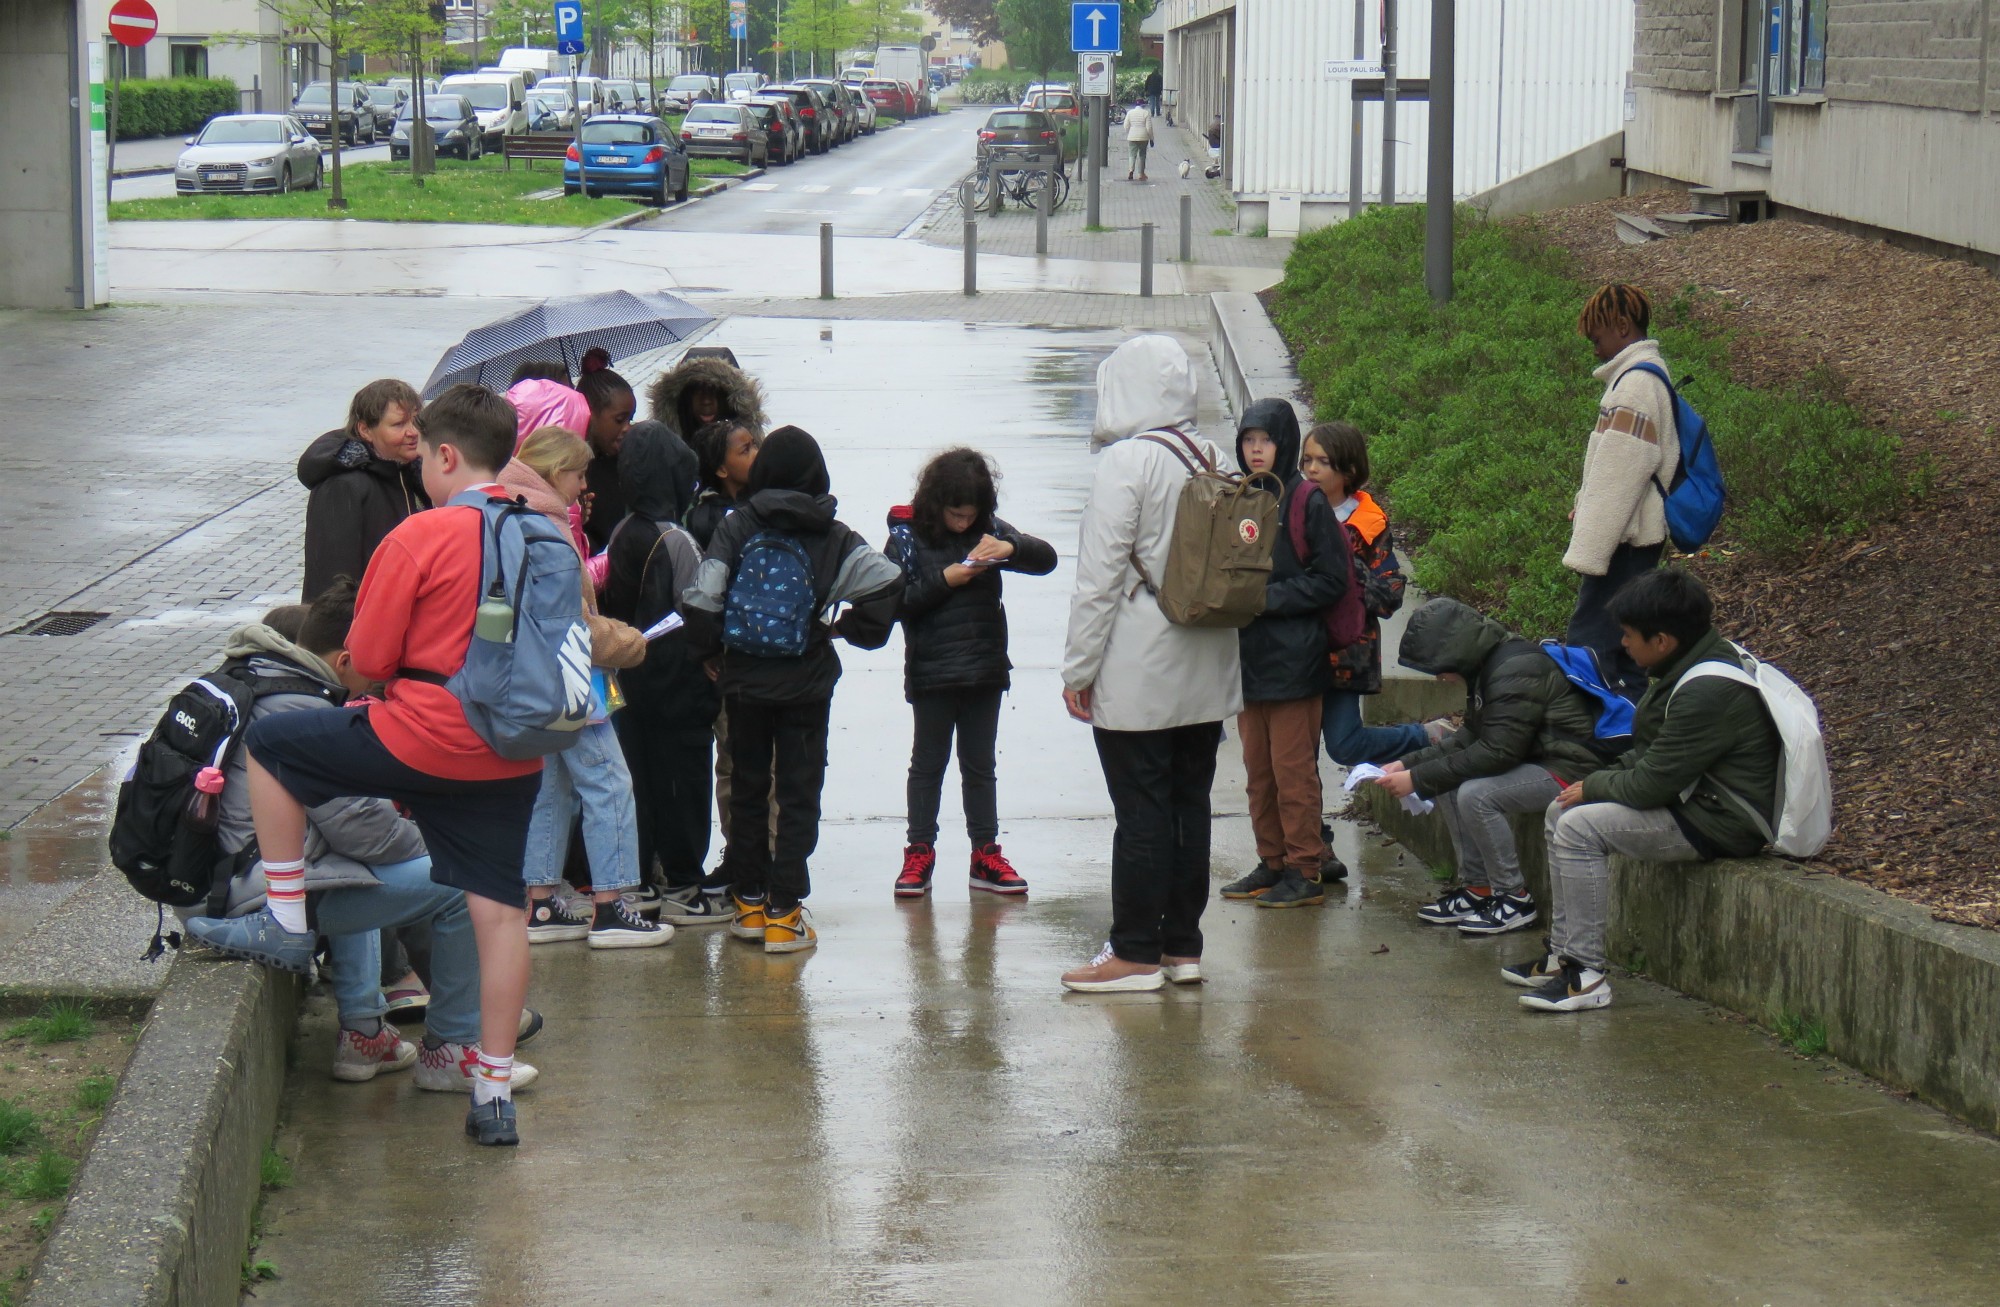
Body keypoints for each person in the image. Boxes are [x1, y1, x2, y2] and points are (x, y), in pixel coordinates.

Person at [228, 383, 559, 1146]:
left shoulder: (420, 535)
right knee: (500, 912)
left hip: (418, 738)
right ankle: (492, 1095)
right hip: (513, 752)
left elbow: (368, 661)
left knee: (274, 744)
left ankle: (283, 920)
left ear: (446, 455)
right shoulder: (544, 535)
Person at [184, 581, 541, 1088]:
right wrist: (445, 844)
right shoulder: (300, 709)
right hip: (251, 897)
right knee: (464, 883)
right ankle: (452, 1048)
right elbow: (366, 831)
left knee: (359, 873)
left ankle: (363, 1032)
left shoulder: (259, 680)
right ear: (348, 657)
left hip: (233, 882)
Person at [1059, 335, 1242, 993]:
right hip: (1209, 660)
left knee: (1139, 810)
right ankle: (1181, 945)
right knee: (1189, 804)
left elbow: (1099, 577)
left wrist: (1078, 668)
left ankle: (1133, 949)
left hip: (1141, 667)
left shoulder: (1126, 463)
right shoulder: (1216, 456)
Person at [1509, 569, 1780, 1012]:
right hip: (1696, 798)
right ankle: (1562, 956)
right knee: (1561, 811)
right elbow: (1655, 755)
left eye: (1630, 635)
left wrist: (1596, 784)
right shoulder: (1687, 664)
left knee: (1578, 828)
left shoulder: (1707, 689)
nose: (1623, 645)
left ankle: (1587, 974)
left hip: (1723, 820)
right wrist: (1597, 784)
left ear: (1662, 640)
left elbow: (1654, 782)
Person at [681, 426, 904, 955]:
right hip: (806, 684)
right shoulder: (835, 534)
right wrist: (845, 627)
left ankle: (751, 903)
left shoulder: (738, 526)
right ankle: (786, 911)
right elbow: (890, 581)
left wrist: (711, 653)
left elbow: (703, 598)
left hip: (744, 684)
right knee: (799, 793)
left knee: (750, 787)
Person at [498, 429, 662, 948]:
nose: (585, 484)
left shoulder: (508, 514)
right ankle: (612, 906)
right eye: (578, 473)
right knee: (609, 784)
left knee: (549, 787)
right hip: (569, 679)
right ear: (554, 472)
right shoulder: (546, 525)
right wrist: (626, 642)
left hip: (527, 681)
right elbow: (570, 620)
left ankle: (541, 902)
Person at [885, 448, 1056, 899]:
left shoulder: (991, 531)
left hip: (984, 670)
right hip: (932, 673)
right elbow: (895, 601)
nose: (963, 523)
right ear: (936, 502)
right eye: (955, 514)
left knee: (980, 766)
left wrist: (1011, 547)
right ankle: (919, 851)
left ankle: (985, 852)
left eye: (971, 514)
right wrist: (948, 579)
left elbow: (1047, 558)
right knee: (928, 764)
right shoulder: (905, 537)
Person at [1380, 597, 1607, 936]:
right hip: (1536, 761)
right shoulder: (1489, 667)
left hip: (1569, 769)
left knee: (1477, 794)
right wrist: (1407, 764)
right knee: (1450, 781)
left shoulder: (1515, 668)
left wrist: (1417, 778)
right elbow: (1470, 737)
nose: (1439, 677)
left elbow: (1498, 752)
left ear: (1455, 649)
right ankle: (1479, 888)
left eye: (1438, 666)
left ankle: (1514, 898)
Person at [1216, 400, 1348, 910]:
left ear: (1285, 444)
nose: (1255, 449)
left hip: (1294, 662)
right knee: (1258, 773)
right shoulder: (1240, 496)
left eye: (1265, 440)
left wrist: (1268, 599)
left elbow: (1332, 580)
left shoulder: (1306, 501)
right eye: (1248, 439)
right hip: (1247, 662)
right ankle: (1271, 862)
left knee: (1293, 772)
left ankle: (1304, 868)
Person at [600, 421, 728, 926]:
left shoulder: (621, 531)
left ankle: (645, 885)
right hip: (677, 685)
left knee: (643, 784)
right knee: (684, 785)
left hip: (633, 681)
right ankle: (683, 885)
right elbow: (697, 610)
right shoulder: (676, 540)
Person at [1566, 283, 1679, 699]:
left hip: (1623, 544)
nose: (1595, 349)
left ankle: (1589, 742)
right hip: (1635, 540)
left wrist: (1588, 553)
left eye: (1597, 338)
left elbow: (1619, 477)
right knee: (1627, 651)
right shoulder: (1648, 377)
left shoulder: (1634, 387)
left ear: (1622, 326)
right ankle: (1631, 740)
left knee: (1588, 650)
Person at [1301, 421, 1430, 768]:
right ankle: (1313, 825)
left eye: (1323, 461)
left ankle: (1427, 737)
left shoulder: (1369, 522)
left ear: (1350, 469)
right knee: (1299, 753)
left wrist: (1344, 568)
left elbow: (1390, 592)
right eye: (1307, 460)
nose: (1311, 469)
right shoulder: (1293, 512)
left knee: (1343, 745)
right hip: (1297, 649)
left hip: (1347, 653)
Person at [298, 379, 428, 603]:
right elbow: (333, 581)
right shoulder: (343, 485)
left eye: (417, 421)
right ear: (365, 430)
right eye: (399, 424)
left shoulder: (414, 474)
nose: (413, 432)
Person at [577, 363, 637, 553]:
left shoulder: (628, 460)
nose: (627, 427)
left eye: (631, 419)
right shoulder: (577, 473)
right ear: (590, 414)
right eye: (619, 420)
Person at [649, 350, 766, 443]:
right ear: (685, 397)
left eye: (714, 391)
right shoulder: (666, 456)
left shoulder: (750, 458)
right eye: (698, 391)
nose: (706, 401)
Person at [687, 418, 765, 551]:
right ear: (722, 470)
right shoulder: (703, 519)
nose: (756, 453)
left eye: (754, 444)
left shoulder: (767, 501)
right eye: (745, 450)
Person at [1124, 96, 1154, 182]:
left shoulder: (1130, 113)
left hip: (1132, 136)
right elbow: (1149, 128)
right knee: (1142, 155)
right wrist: (1151, 138)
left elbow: (1126, 125)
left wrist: (1129, 132)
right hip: (1143, 137)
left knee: (1132, 155)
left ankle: (1130, 171)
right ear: (1143, 105)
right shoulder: (1146, 113)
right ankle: (1141, 174)